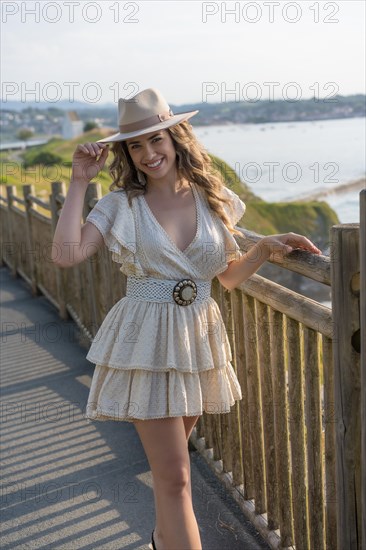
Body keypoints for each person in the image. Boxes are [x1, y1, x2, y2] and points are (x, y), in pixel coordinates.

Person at [51, 87, 322, 550]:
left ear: (176, 137)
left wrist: (263, 248)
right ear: (127, 153)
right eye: (135, 145)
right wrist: (79, 182)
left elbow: (229, 278)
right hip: (144, 340)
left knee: (171, 474)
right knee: (176, 476)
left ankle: (162, 539)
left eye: (156, 140)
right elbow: (65, 254)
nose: (148, 153)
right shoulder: (120, 205)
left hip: (198, 339)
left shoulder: (214, 199)